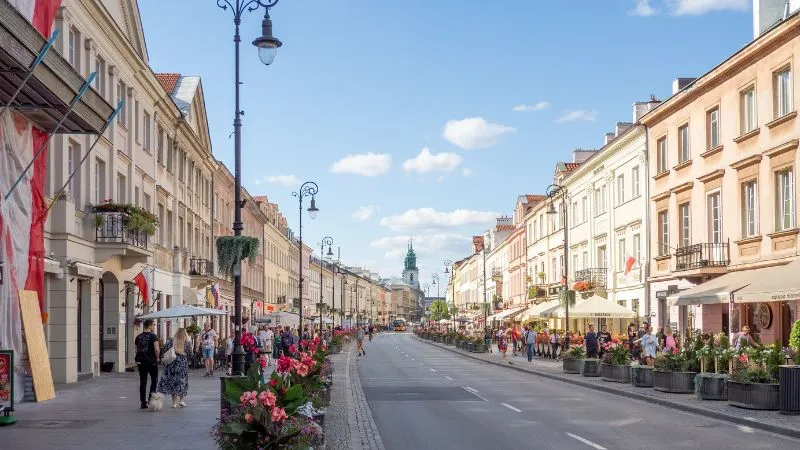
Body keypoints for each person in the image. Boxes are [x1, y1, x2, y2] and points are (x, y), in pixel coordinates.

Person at [157, 328, 191, 408]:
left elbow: (165, 351)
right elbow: (190, 354)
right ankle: (182, 400)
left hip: (172, 363)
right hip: (182, 363)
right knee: (182, 381)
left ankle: (174, 403)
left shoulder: (170, 341)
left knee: (173, 381)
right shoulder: (187, 342)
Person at [134, 319, 160, 409]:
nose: (154, 327)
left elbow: (136, 350)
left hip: (141, 362)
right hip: (151, 361)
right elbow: (156, 349)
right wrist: (157, 358)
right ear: (149, 326)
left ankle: (143, 402)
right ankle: (151, 399)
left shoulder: (138, 337)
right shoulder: (154, 336)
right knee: (154, 380)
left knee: (143, 382)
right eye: (153, 325)